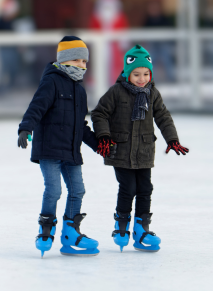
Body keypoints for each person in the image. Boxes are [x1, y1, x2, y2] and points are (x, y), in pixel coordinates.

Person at [91, 44, 190, 252]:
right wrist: (104, 136)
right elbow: (99, 113)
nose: (142, 78)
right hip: (121, 150)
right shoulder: (116, 92)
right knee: (128, 188)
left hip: (144, 150)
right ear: (127, 73)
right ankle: (122, 225)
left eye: (146, 73)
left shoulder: (152, 93)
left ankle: (141, 228)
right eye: (136, 74)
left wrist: (172, 139)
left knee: (145, 189)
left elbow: (163, 116)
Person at [17, 36, 104, 257]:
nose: (82, 66)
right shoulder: (51, 82)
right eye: (77, 60)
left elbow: (81, 125)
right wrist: (25, 129)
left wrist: (98, 145)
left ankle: (71, 233)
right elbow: (36, 107)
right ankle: (46, 229)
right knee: (54, 190)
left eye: (84, 62)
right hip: (49, 149)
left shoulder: (80, 91)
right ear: (64, 60)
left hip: (71, 151)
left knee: (78, 190)